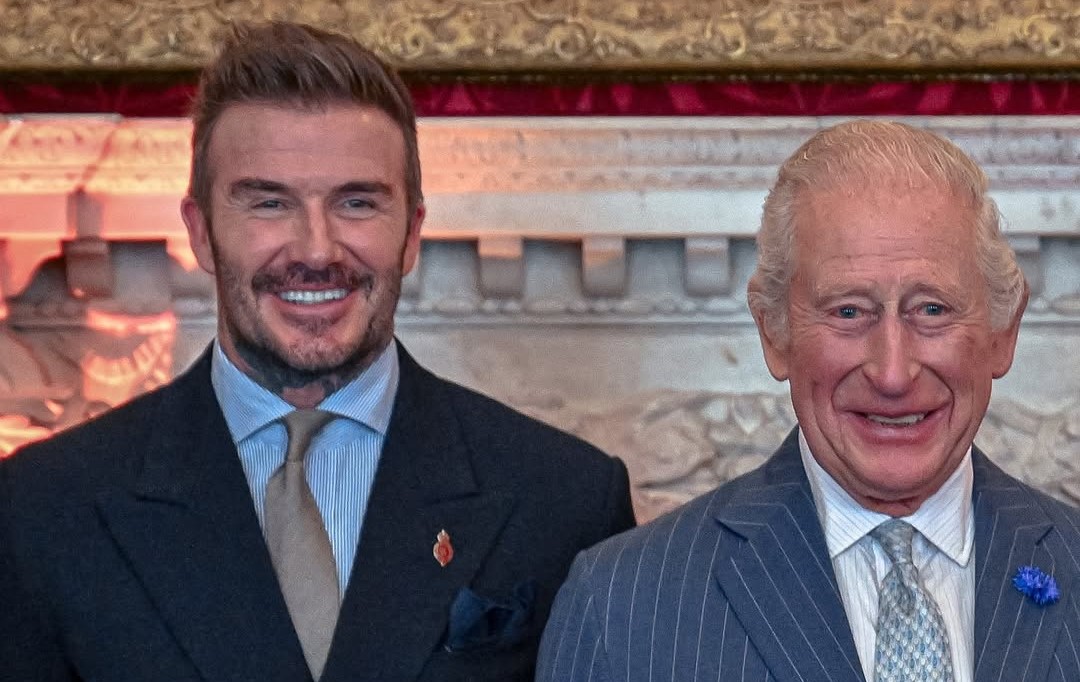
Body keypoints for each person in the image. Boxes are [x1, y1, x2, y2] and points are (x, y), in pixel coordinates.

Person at [0, 21, 635, 682]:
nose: (315, 249)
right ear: (202, 233)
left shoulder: (565, 497)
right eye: (269, 203)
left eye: (356, 203)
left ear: (411, 233)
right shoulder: (45, 508)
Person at [536, 120, 1080, 682]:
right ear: (774, 333)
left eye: (932, 309)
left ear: (1002, 333)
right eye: (848, 311)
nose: (893, 374)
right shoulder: (623, 608)